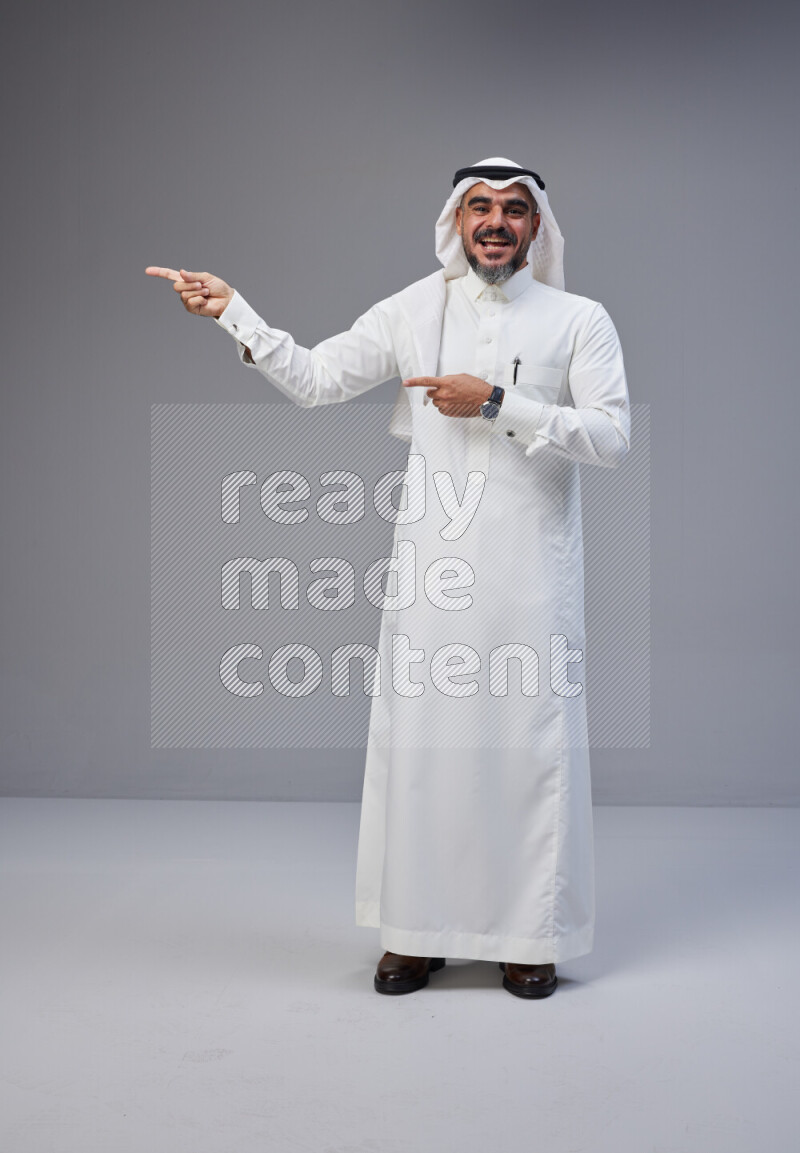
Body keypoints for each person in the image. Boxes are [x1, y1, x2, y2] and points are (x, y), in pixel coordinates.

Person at [146, 156, 630, 999]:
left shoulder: (577, 319)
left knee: (525, 749)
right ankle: (416, 933)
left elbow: (612, 436)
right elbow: (319, 379)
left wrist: (496, 402)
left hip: (531, 576)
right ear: (455, 220)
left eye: (514, 210)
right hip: (432, 574)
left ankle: (529, 936)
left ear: (538, 227)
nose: (495, 222)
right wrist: (237, 314)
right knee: (425, 752)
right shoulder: (415, 307)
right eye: (479, 207)